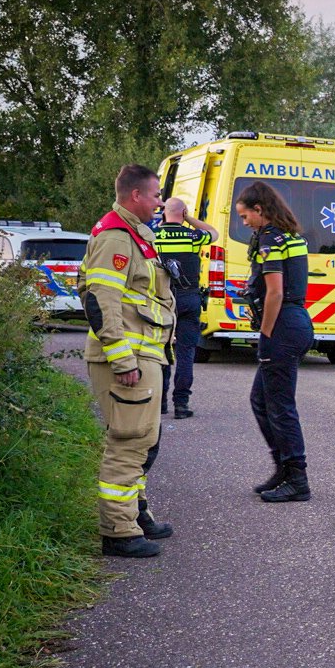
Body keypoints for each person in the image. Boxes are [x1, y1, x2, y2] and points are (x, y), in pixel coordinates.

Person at [79, 164, 174, 557]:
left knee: (143, 441)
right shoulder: (117, 238)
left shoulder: (137, 234)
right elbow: (102, 302)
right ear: (136, 195)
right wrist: (122, 361)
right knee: (128, 441)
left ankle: (133, 513)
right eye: (155, 196)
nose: (160, 202)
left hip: (144, 354)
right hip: (128, 358)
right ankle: (118, 531)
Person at [237, 181, 314, 503]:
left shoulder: (270, 239)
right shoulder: (290, 235)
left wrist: (265, 334)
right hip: (294, 323)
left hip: (282, 326)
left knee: (280, 406)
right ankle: (283, 468)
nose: (244, 223)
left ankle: (297, 479)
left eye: (245, 216)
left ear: (260, 210)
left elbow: (276, 292)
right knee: (261, 400)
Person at [152, 197, 218, 420]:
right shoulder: (193, 236)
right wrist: (188, 218)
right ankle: (181, 404)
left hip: (162, 300)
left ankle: (160, 402)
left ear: (164, 213)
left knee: (161, 351)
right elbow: (214, 232)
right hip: (189, 299)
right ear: (183, 213)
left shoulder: (155, 236)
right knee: (186, 352)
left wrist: (163, 221)